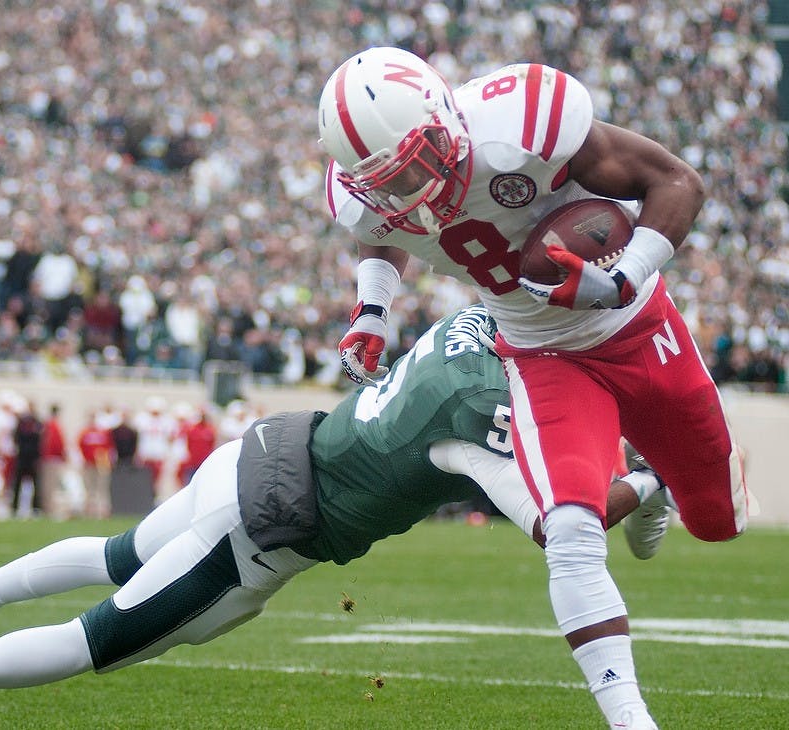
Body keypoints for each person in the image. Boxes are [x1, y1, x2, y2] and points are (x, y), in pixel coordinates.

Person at [0, 306, 669, 730]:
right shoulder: (486, 420)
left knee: (118, 553)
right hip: (271, 525)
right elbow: (565, 522)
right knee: (101, 636)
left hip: (259, 453)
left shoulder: (473, 322)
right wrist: (653, 480)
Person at [317, 47, 748, 729]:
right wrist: (372, 310)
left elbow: (676, 181)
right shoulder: (372, 198)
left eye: (421, 165)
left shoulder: (523, 122)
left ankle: (654, 483)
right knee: (570, 529)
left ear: (446, 120)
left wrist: (622, 277)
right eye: (393, 182)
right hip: (539, 351)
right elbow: (379, 234)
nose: (415, 192)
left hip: (637, 326)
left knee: (718, 521)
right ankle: (632, 720)